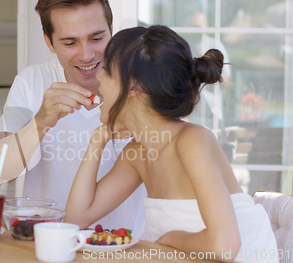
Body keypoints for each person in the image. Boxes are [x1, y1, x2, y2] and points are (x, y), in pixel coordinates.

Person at [65, 25, 277, 262]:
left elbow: (223, 248)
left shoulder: (192, 140)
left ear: (135, 85)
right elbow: (75, 218)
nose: (99, 77)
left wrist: (170, 238)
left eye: (107, 70)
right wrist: (98, 140)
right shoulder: (136, 154)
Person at [0, 0, 147, 233]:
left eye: (97, 38)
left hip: (123, 247)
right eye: (70, 42)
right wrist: (40, 123)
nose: (86, 55)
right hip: (41, 245)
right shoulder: (30, 82)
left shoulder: (142, 86)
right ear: (49, 41)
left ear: (112, 29)